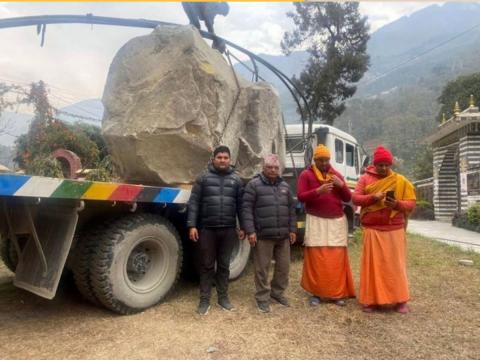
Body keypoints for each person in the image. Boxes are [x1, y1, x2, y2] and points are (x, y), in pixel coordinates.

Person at [352, 146, 416, 314]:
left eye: (387, 165)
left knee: (396, 266)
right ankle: (371, 300)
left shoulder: (400, 180)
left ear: (391, 164)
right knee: (373, 267)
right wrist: (373, 197)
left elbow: (410, 202)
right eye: (380, 165)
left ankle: (400, 300)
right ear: (375, 164)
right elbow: (355, 198)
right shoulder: (365, 179)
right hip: (373, 229)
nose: (384, 168)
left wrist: (397, 205)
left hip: (394, 229)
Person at [187, 145, 245, 315]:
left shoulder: (236, 180)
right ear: (213, 159)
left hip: (228, 230)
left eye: (225, 158)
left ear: (230, 160)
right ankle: (204, 301)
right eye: (219, 157)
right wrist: (192, 225)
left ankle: (223, 298)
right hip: (207, 230)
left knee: (224, 266)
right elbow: (194, 203)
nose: (222, 160)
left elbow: (241, 207)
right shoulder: (203, 178)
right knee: (206, 266)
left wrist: (243, 227)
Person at [297, 144, 356, 307]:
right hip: (316, 220)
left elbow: (347, 197)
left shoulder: (336, 175)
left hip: (336, 221)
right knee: (317, 257)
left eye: (326, 160)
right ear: (314, 160)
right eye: (321, 160)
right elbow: (301, 197)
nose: (324, 163)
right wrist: (318, 191)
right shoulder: (306, 175)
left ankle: (337, 293)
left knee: (336, 257)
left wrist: (341, 185)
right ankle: (317, 293)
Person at [242, 154, 296, 313]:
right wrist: (250, 231)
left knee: (284, 268)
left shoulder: (285, 186)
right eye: (269, 167)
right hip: (263, 235)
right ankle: (262, 298)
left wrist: (292, 229)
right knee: (262, 269)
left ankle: (277, 293)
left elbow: (291, 210)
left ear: (279, 169)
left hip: (283, 236)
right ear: (263, 168)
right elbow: (246, 209)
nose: (273, 170)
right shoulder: (253, 185)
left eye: (276, 168)